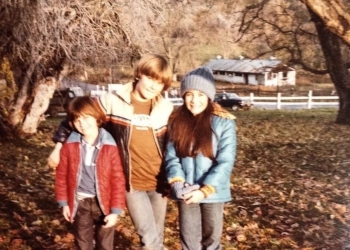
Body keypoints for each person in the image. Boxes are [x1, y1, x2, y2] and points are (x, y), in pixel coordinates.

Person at [48, 54, 174, 250]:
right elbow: (75, 119)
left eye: (159, 83)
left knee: (155, 236)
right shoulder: (112, 101)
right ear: (139, 74)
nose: (153, 86)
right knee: (150, 240)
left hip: (159, 183)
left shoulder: (166, 108)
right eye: (150, 78)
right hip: (131, 183)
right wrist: (57, 148)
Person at [165, 67, 237, 250]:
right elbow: (172, 157)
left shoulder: (224, 122)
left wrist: (204, 190)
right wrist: (178, 182)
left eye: (200, 94)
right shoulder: (176, 121)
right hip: (186, 191)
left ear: (209, 96)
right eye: (189, 94)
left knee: (211, 242)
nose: (194, 100)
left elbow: (225, 161)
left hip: (212, 192)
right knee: (189, 243)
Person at [55, 96, 126, 250]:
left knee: (105, 244)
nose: (82, 124)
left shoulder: (110, 146)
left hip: (103, 204)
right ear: (72, 123)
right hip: (80, 202)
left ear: (96, 117)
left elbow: (118, 180)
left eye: (86, 118)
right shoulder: (70, 145)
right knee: (82, 241)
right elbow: (61, 175)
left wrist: (115, 211)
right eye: (77, 120)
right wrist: (64, 203)